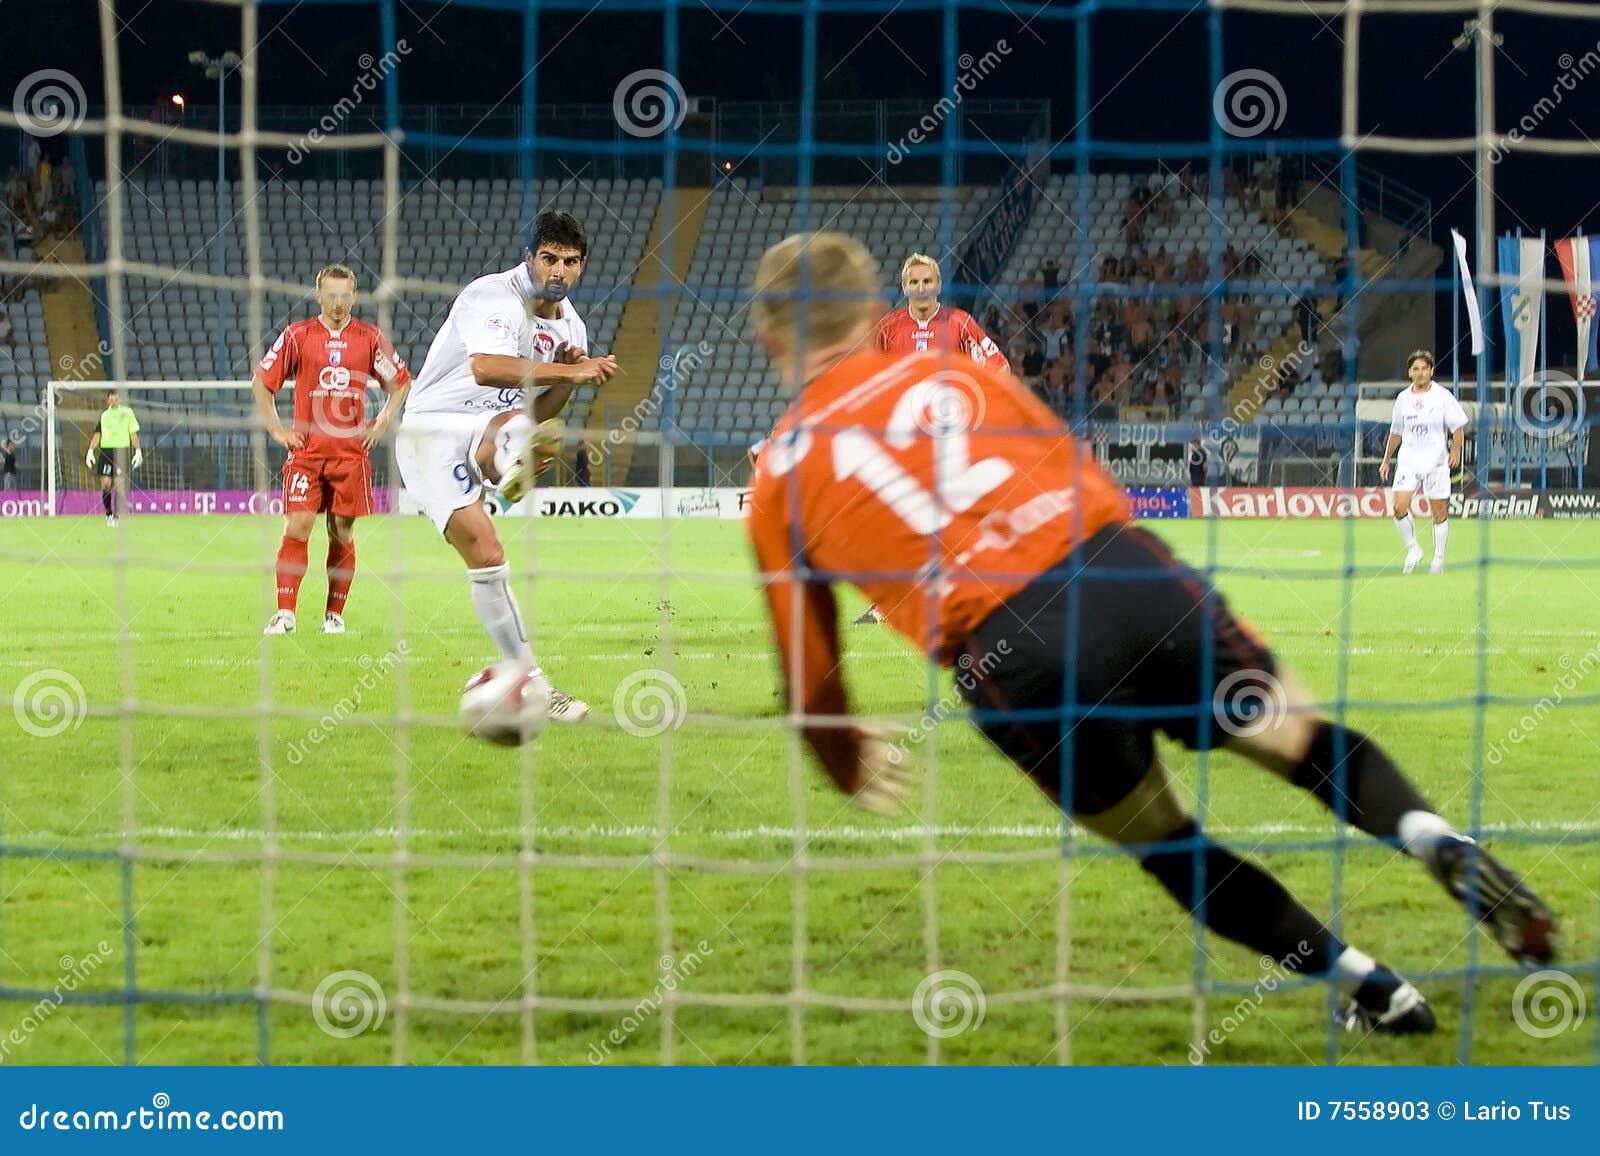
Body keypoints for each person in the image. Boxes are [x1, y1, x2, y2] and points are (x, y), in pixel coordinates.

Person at [744, 232, 1556, 1040]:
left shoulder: (779, 472)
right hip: (1124, 572)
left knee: (1168, 843)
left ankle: (1377, 989)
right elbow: (1079, 473)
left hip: (1014, 653)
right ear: (874, 312)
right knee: (1299, 739)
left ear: (768, 336)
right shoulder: (953, 371)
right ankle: (1431, 837)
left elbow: (812, 678)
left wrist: (847, 763)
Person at [395, 210, 617, 722]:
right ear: (529, 258)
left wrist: (567, 380)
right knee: (486, 551)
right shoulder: (492, 295)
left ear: (582, 266)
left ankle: (511, 463)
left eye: (570, 261)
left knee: (534, 427)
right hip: (432, 430)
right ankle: (513, 464)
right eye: (549, 259)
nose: (558, 271)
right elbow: (486, 368)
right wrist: (570, 369)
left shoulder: (571, 324)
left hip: (492, 426)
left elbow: (541, 406)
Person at [254, 263, 411, 635]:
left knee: (341, 532)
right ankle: (286, 614)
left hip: (350, 456)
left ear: (354, 296)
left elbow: (400, 382)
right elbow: (262, 382)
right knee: (298, 525)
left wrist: (382, 422)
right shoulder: (297, 335)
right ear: (318, 295)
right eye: (331, 295)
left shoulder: (370, 338)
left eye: (345, 295)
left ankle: (334, 616)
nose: (337, 303)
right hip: (307, 453)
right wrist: (277, 430)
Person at [1379, 349, 1467, 575]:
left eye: (1424, 368)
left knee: (1438, 511)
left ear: (1432, 371)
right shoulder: (1403, 399)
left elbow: (1457, 427)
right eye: (1416, 369)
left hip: (1436, 460)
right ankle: (1413, 549)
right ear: (1409, 372)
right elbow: (1396, 431)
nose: (1420, 373)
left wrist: (1455, 451)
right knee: (1399, 505)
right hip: (1408, 459)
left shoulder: (1442, 396)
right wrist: (1387, 459)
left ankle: (1438, 559)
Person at [85, 390, 141, 525]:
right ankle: (108, 513)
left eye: (115, 398)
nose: (113, 401)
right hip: (106, 452)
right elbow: (98, 434)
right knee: (105, 484)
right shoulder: (104, 415)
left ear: (119, 399)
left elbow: (133, 433)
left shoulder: (127, 413)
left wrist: (138, 450)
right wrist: (90, 451)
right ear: (107, 400)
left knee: (119, 485)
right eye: (111, 399)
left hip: (120, 452)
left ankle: (116, 515)